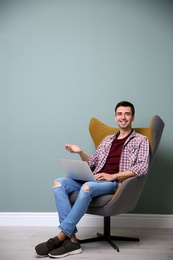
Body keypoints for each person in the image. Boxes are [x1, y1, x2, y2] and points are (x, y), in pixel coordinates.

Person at [35, 101, 150, 258]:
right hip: (94, 177)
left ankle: (61, 237)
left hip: (113, 183)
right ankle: (73, 241)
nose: (123, 117)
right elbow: (93, 162)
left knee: (87, 187)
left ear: (133, 117)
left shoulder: (141, 140)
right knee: (59, 183)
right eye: (120, 114)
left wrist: (113, 175)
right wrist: (80, 152)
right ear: (115, 118)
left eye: (127, 114)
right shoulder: (108, 140)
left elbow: (142, 167)